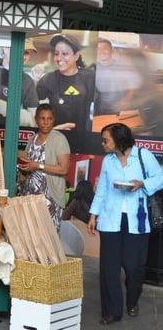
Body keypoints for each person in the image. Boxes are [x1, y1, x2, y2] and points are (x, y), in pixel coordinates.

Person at [87, 123, 163, 325]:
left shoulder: (143, 155)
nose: (102, 143)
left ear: (119, 140)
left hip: (136, 220)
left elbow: (160, 177)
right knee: (109, 268)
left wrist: (142, 184)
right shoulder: (107, 161)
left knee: (134, 267)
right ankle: (112, 312)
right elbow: (102, 189)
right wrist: (93, 215)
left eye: (106, 140)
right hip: (110, 219)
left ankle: (132, 300)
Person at [17, 103, 70, 232]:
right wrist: (24, 166)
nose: (46, 122)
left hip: (49, 197)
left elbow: (64, 169)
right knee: (30, 234)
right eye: (42, 118)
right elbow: (29, 165)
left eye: (49, 119)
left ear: (54, 120)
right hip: (29, 195)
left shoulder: (59, 139)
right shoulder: (32, 139)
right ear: (36, 120)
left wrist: (37, 165)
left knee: (48, 237)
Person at [36, 34, 95, 134]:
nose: (59, 58)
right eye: (56, 53)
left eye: (65, 53)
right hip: (55, 138)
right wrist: (53, 130)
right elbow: (36, 115)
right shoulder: (47, 80)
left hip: (84, 139)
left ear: (76, 56)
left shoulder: (90, 78)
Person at [94, 38, 142, 115]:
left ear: (111, 50)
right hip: (101, 109)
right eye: (98, 49)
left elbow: (133, 85)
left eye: (104, 48)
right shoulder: (93, 69)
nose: (101, 51)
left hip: (121, 108)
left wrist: (126, 100)